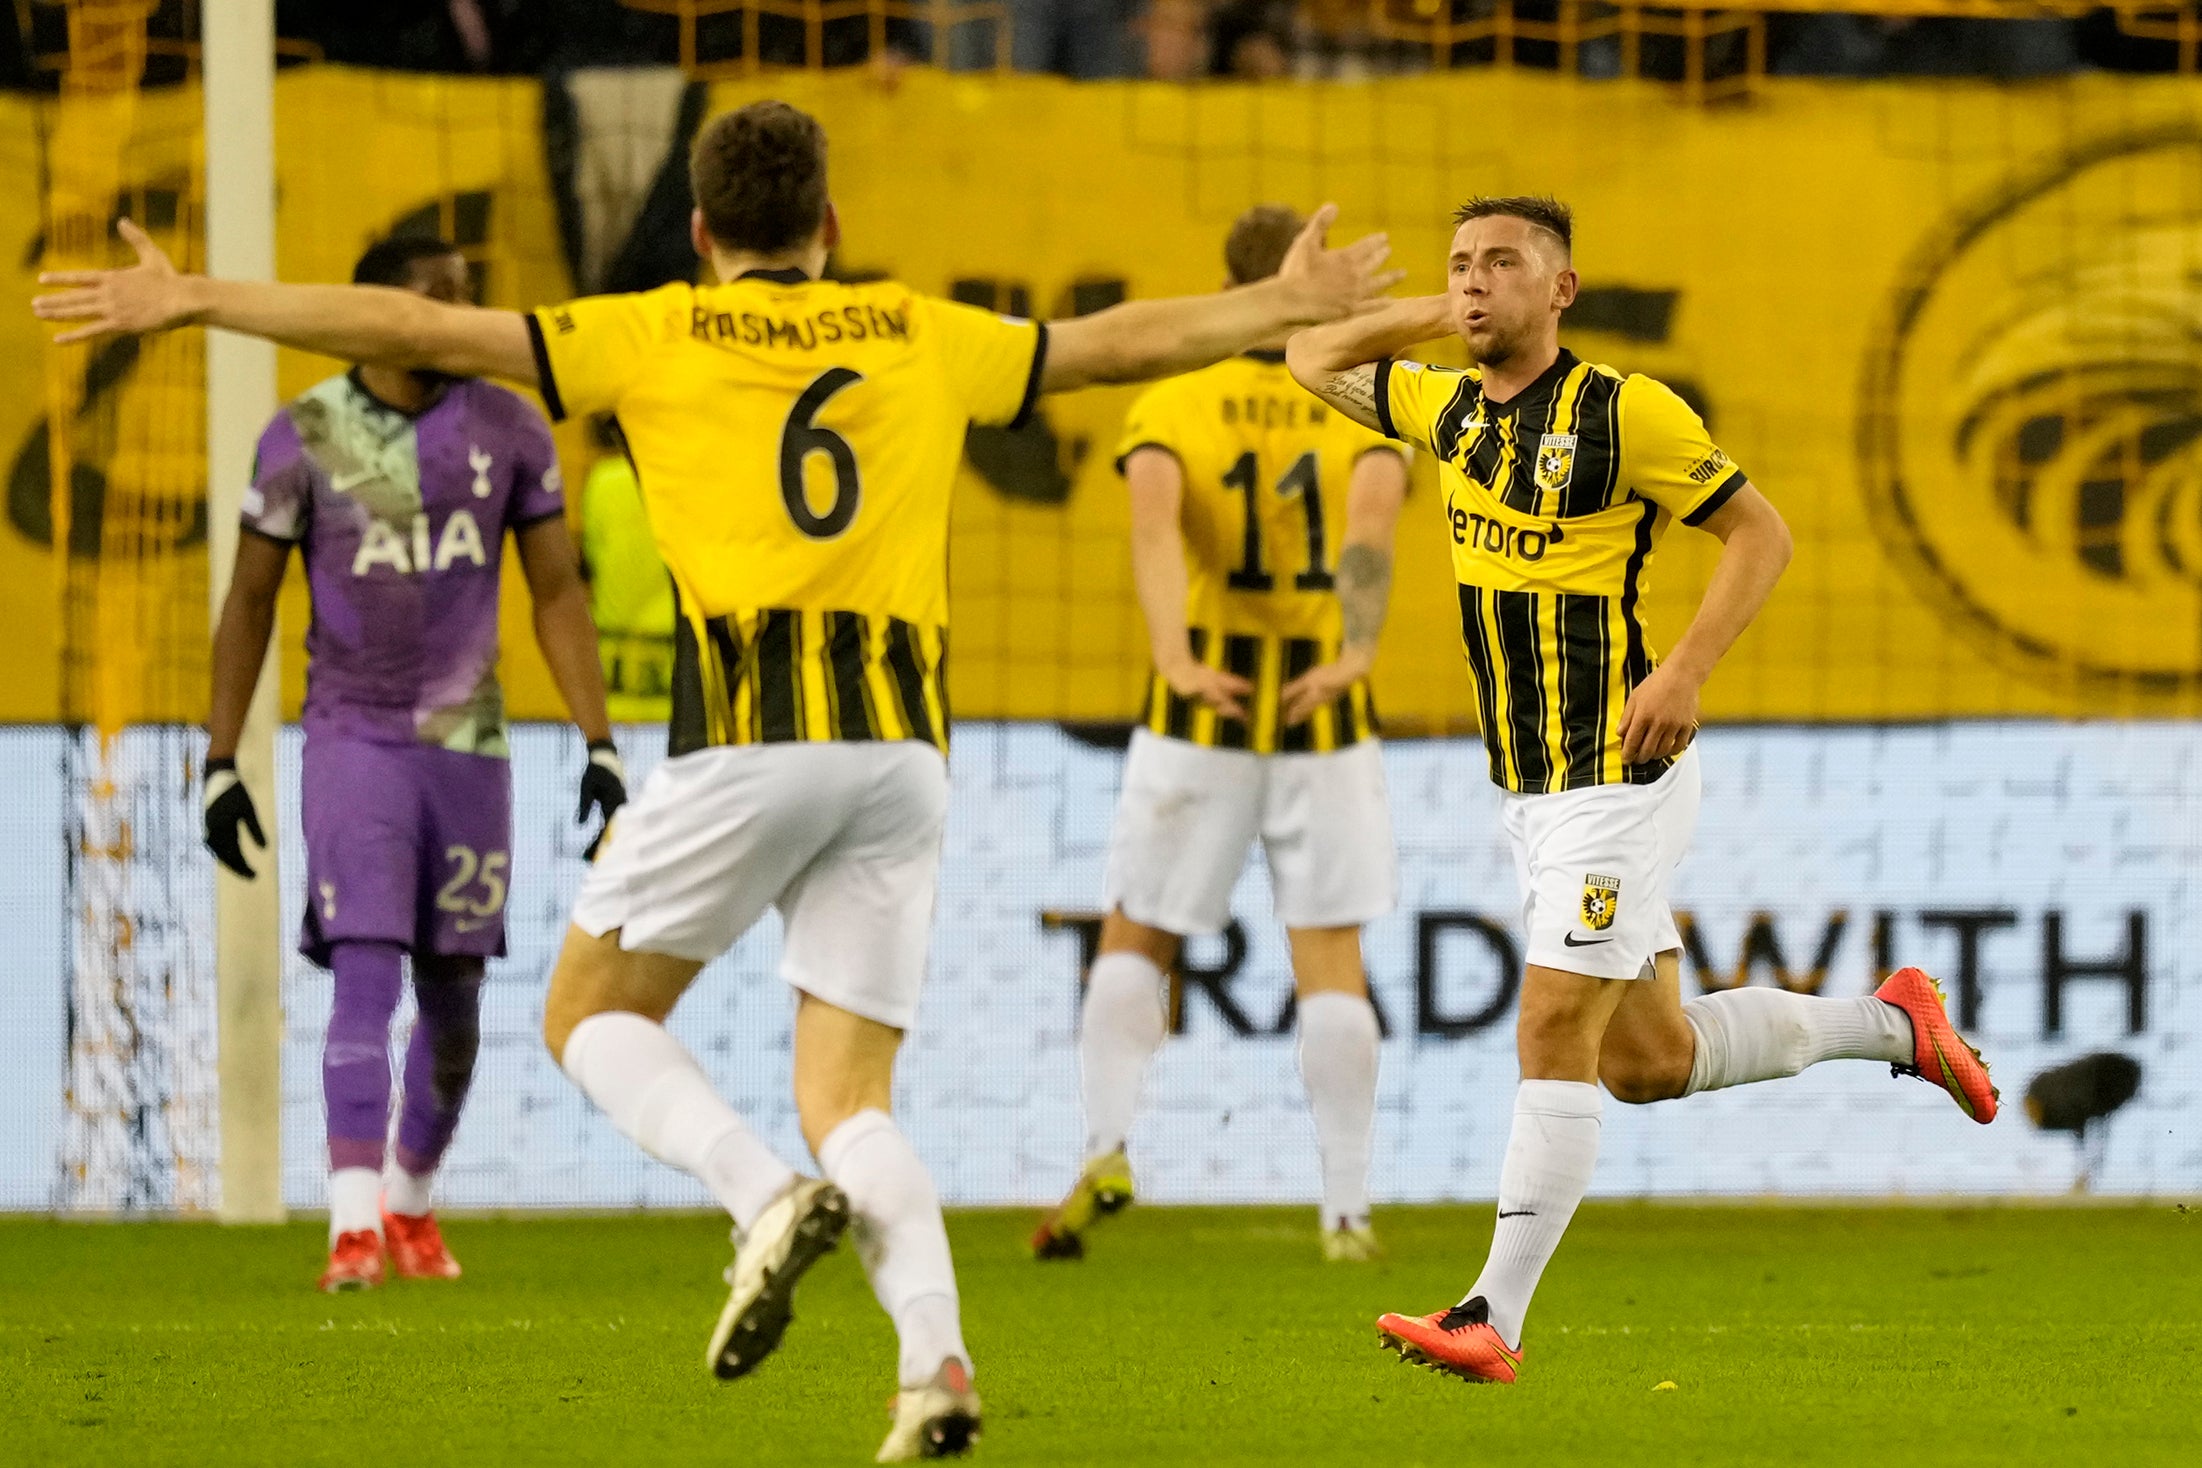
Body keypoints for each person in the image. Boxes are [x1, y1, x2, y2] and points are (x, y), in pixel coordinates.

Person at [40, 100, 1400, 1457]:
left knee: (586, 1015)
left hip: (748, 738)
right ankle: (936, 1367)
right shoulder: (920, 329)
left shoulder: (651, 329)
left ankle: (759, 1199)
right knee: (852, 1100)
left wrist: (194, 298)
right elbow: (1119, 346)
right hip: (901, 757)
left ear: (698, 235)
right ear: (832, 227)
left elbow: (409, 332)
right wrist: (1274, 307)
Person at [1284, 195, 1997, 1384]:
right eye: (1462, 265)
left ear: (1562, 289)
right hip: (1532, 788)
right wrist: (1436, 310)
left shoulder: (1626, 411)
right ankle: (1897, 1025)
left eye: (1502, 264)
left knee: (1552, 1027)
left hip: (1619, 765)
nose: (1474, 282)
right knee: (1647, 1061)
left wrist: (1684, 668)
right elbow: (1309, 354)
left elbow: (1760, 535)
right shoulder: (1445, 406)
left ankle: (1489, 1317)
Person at [198, 234, 626, 1293]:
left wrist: (600, 741)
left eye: (470, 300)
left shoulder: (511, 428)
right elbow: (250, 599)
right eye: (439, 301)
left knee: (455, 1000)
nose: (460, 321)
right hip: (354, 739)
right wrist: (219, 761)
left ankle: (411, 1200)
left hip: (471, 752)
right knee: (364, 965)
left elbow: (558, 591)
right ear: (382, 309)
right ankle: (350, 1224)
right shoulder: (301, 436)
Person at [1032, 204, 1408, 1266]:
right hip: (1322, 709)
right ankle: (1344, 1212)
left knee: (1136, 935)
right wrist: (1358, 652)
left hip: (1202, 704)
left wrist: (1174, 656)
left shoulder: (1172, 404)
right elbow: (1371, 537)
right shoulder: (1362, 408)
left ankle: (1104, 1148)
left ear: (1233, 283)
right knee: (1330, 955)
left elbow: (1154, 529)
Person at [576, 415, 676, 722]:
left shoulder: (601, 481)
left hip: (615, 668)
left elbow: (586, 565)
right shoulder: (676, 480)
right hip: (674, 665)